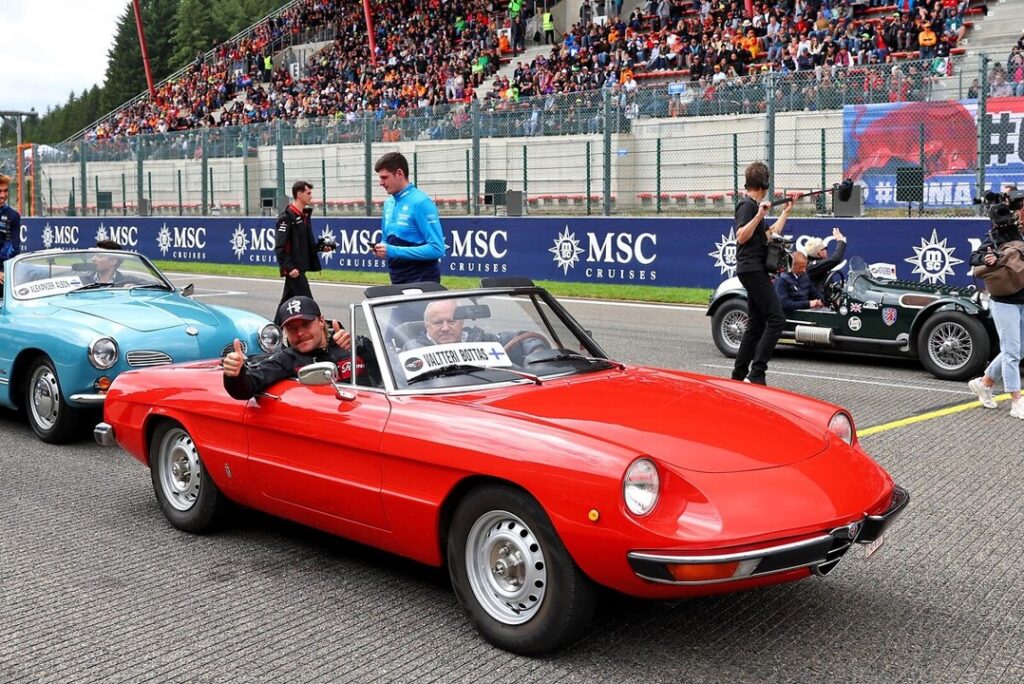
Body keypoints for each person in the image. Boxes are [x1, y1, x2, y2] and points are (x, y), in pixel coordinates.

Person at [222, 296, 379, 400]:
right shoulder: (286, 359)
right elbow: (245, 389)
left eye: (306, 324)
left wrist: (361, 348)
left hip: (371, 416)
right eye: (292, 328)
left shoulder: (353, 345)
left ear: (321, 321)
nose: (300, 333)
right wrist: (234, 374)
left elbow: (387, 378)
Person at [731, 161, 793, 385]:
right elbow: (740, 237)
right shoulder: (747, 206)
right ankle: (757, 372)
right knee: (776, 319)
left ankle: (738, 376)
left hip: (754, 269)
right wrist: (758, 215)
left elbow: (770, 235)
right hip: (752, 269)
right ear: (764, 184)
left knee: (756, 324)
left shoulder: (755, 208)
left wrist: (785, 213)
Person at [967, 196, 1024, 420]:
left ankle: (985, 382)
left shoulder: (1020, 233)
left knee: (1018, 350)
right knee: (1011, 352)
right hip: (1004, 301)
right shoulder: (995, 237)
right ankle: (1016, 400)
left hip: (1022, 299)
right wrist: (987, 257)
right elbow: (974, 257)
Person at [370, 152, 446, 284]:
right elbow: (385, 239)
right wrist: (381, 248)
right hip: (397, 280)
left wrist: (393, 251)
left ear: (399, 174)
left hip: (422, 281)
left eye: (384, 177)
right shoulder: (388, 204)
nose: (380, 183)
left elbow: (437, 249)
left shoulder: (421, 202)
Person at [274, 180, 333, 314]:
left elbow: (304, 245)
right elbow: (279, 247)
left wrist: (320, 247)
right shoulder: (286, 218)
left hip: (301, 267)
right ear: (299, 194)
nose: (311, 196)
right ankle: (320, 328)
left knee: (285, 303)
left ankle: (274, 329)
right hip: (295, 270)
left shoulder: (303, 216)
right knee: (308, 303)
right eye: (308, 193)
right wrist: (289, 268)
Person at [402, 299, 499, 350]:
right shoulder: (412, 349)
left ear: (462, 322)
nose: (445, 328)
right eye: (438, 323)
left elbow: (512, 341)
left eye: (452, 322)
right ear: (427, 326)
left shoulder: (483, 341)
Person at [803, 227, 847, 293]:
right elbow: (835, 259)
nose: (826, 250)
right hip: (819, 301)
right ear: (820, 253)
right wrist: (840, 241)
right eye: (825, 248)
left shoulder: (818, 264)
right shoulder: (812, 266)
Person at [0, 174, 21, 287]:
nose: (3, 195)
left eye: (5, 191)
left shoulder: (13, 216)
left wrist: (3, 271)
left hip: (5, 273)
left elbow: (13, 248)